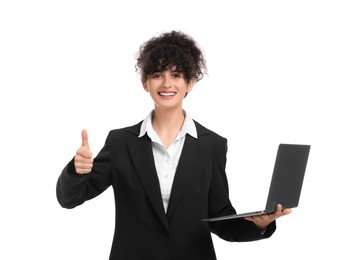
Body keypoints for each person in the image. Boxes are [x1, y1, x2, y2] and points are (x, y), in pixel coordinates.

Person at [56, 30, 291, 260]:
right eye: (158, 74)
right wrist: (77, 170)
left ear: (189, 83)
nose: (167, 83)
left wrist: (259, 225)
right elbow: (69, 199)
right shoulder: (121, 142)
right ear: (145, 82)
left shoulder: (212, 145)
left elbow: (220, 218)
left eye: (176, 75)